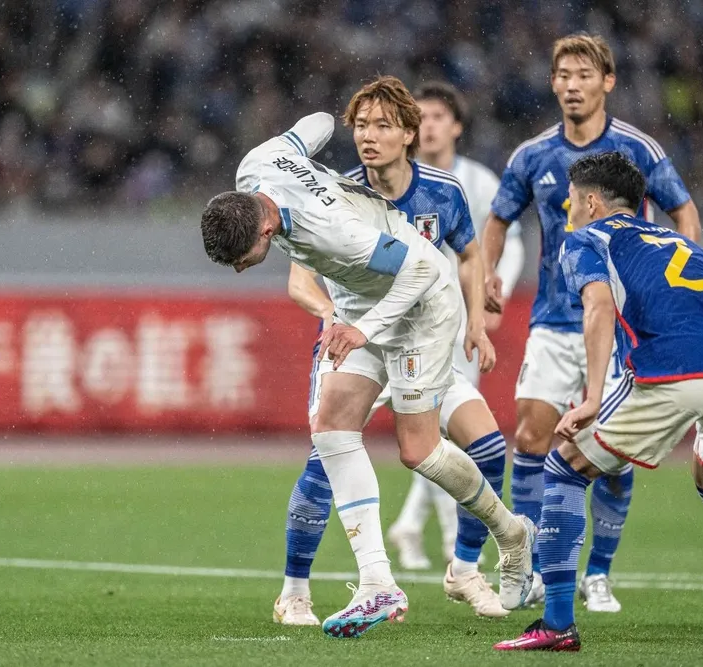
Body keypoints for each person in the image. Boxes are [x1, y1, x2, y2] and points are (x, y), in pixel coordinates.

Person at [201, 110, 535, 638]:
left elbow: (426, 269)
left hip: (423, 306)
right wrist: (328, 137)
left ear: (265, 226)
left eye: (248, 257)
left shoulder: (335, 233)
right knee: (330, 427)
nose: (246, 266)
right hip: (362, 302)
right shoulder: (257, 166)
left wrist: (365, 329)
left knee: (417, 450)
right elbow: (315, 123)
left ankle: (513, 534)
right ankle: (378, 582)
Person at [495, 151, 703, 651]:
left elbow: (598, 307)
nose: (567, 209)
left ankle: (557, 624)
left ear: (590, 201)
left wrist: (590, 398)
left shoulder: (586, 238)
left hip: (672, 371)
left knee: (565, 470)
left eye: (570, 201)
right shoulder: (685, 246)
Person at [276, 76, 516, 623]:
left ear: (409, 134)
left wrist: (477, 321)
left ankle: (464, 571)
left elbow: (471, 255)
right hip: (357, 345)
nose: (369, 136)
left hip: (424, 344)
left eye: (382, 125)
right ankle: (295, 591)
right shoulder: (332, 195)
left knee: (488, 448)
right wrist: (332, 314)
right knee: (324, 459)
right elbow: (299, 280)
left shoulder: (443, 191)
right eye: (361, 125)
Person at [480, 33, 702, 610]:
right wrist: (490, 272)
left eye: (585, 74)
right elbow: (499, 219)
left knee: (609, 450)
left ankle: (597, 572)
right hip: (555, 319)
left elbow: (684, 212)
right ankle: (527, 565)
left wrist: (672, 278)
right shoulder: (531, 156)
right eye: (563, 75)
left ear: (607, 82)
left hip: (623, 322)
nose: (572, 85)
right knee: (529, 434)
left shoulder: (637, 149)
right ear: (553, 83)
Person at [385, 81, 525, 574]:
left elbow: (506, 242)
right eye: (419, 116)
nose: (427, 124)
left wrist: (492, 294)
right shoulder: (394, 179)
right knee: (439, 432)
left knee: (446, 431)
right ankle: (448, 540)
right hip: (406, 324)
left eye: (438, 116)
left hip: (459, 321)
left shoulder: (477, 181)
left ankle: (421, 526)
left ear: (457, 126)